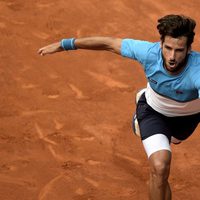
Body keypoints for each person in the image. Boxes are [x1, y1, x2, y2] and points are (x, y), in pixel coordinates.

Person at [38, 14, 200, 200]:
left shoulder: (197, 69)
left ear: (189, 49)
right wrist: (64, 44)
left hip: (187, 119)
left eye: (179, 50)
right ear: (160, 43)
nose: (172, 57)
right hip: (154, 112)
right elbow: (109, 43)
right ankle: (143, 106)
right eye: (168, 48)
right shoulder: (148, 53)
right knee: (160, 166)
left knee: (173, 144)